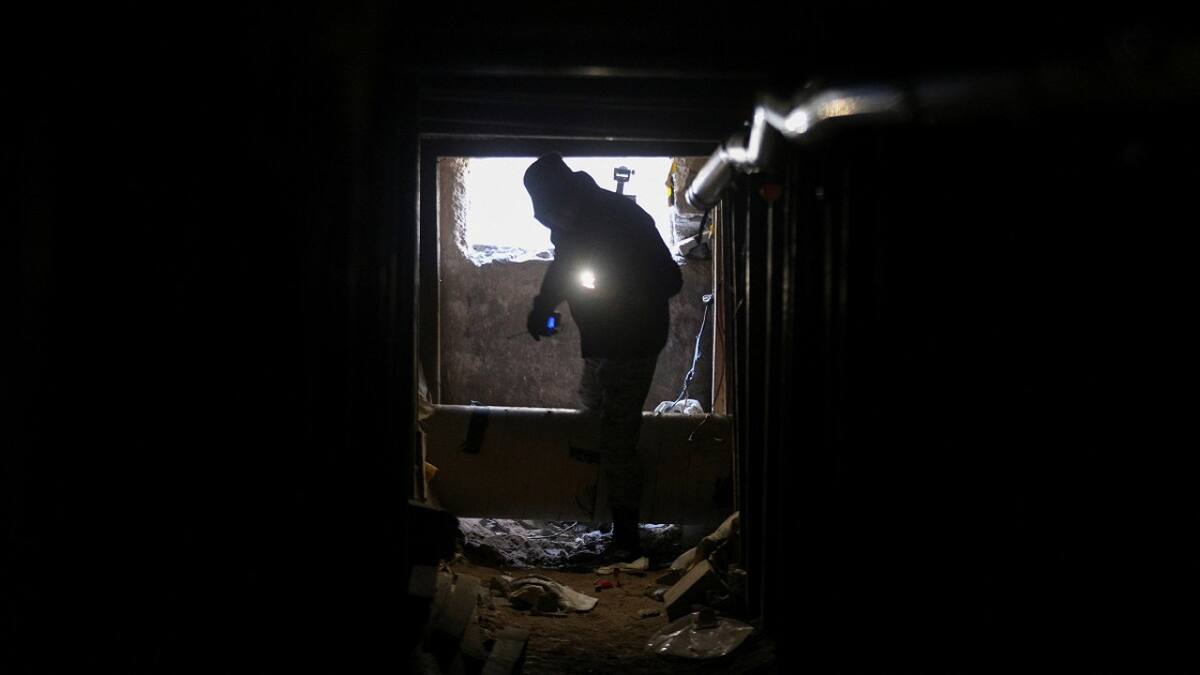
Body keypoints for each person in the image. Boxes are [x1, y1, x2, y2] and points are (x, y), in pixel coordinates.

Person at [523, 153, 683, 560]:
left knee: (616, 435)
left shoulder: (626, 218)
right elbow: (563, 267)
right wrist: (543, 307)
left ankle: (628, 536)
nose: (553, 224)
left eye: (554, 214)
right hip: (600, 343)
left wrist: (622, 293)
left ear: (569, 196)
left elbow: (671, 278)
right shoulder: (569, 223)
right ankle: (602, 509)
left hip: (635, 343)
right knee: (592, 416)